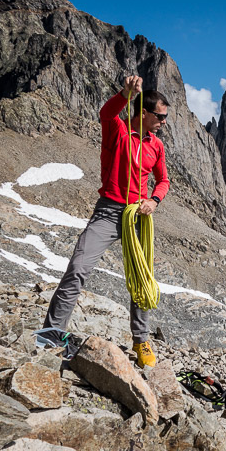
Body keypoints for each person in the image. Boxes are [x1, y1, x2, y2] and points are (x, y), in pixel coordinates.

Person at [43, 75, 170, 367]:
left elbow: (163, 181)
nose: (163, 122)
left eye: (165, 117)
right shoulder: (118, 130)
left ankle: (141, 342)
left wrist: (154, 200)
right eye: (160, 116)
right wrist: (125, 94)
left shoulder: (157, 146)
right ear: (144, 113)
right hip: (109, 211)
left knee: (141, 279)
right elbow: (106, 113)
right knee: (78, 267)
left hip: (138, 216)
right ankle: (51, 334)